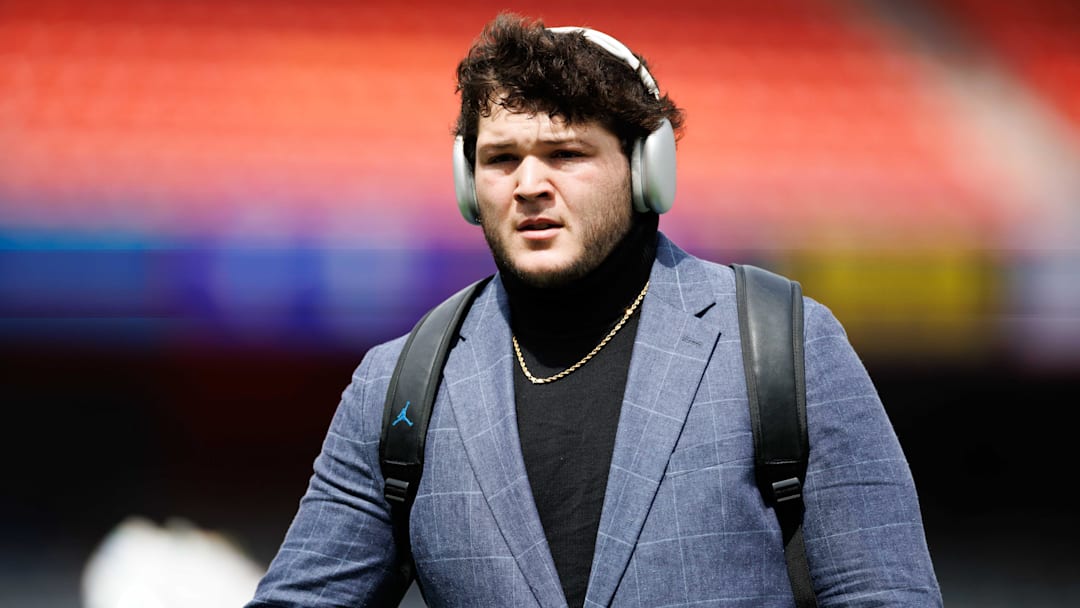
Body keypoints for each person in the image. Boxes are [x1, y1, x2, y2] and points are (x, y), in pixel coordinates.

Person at [247, 13, 942, 608]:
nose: (528, 185)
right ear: (467, 183)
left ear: (646, 170)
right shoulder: (395, 386)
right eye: (501, 159)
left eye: (566, 153)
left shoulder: (786, 345)